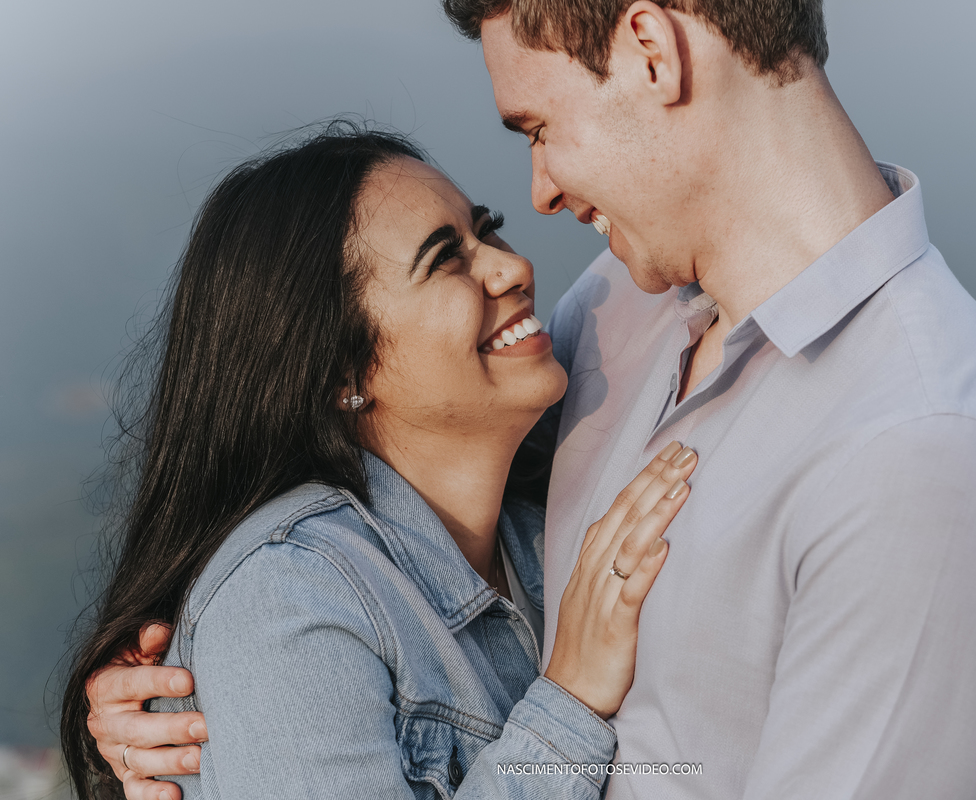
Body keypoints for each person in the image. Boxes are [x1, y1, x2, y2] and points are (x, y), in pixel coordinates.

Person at [88, 1, 976, 798]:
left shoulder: (932, 451)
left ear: (653, 50)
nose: (540, 198)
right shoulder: (616, 315)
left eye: (539, 125)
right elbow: (389, 501)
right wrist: (193, 691)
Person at [61, 125, 704, 800]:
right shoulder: (289, 595)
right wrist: (568, 700)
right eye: (444, 259)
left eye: (488, 232)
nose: (511, 268)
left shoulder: (548, 526)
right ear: (342, 371)